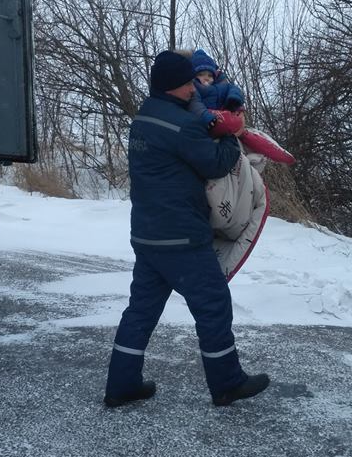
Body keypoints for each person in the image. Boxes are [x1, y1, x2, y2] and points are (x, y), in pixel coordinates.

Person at [104, 50, 270, 409]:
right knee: (212, 304)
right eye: (187, 83)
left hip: (147, 235)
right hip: (181, 237)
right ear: (173, 86)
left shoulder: (144, 117)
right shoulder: (182, 125)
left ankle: (122, 384)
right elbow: (215, 165)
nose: (193, 88)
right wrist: (232, 135)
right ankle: (227, 383)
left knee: (141, 311)